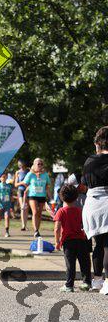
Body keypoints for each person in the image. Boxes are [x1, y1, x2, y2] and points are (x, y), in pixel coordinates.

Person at [82, 126, 108, 294]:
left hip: (92, 204)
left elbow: (84, 182)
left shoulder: (89, 161)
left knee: (98, 243)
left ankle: (97, 280)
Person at [54, 184, 91, 292]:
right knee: (84, 262)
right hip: (81, 240)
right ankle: (86, 282)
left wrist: (57, 242)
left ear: (61, 197)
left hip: (68, 241)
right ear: (76, 197)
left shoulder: (61, 211)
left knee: (70, 264)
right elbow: (85, 225)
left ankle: (69, 285)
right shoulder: (79, 210)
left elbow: (57, 228)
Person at [22, 157, 51, 237]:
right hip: (33, 195)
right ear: (34, 165)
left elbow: (48, 185)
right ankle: (35, 230)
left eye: (41, 164)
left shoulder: (45, 174)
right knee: (35, 212)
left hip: (42, 195)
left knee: (39, 213)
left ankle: (37, 229)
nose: (40, 165)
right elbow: (24, 182)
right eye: (38, 164)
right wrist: (30, 187)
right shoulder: (30, 174)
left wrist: (50, 197)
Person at [14, 159, 29, 231]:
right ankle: (23, 225)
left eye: (21, 164)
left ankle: (25, 225)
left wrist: (27, 185)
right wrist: (22, 183)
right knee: (22, 207)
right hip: (20, 190)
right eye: (19, 164)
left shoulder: (28, 171)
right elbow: (15, 184)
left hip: (27, 190)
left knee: (26, 208)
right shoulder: (17, 172)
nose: (20, 166)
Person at [0, 172, 12, 238]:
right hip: (0, 204)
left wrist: (11, 204)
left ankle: (7, 231)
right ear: (0, 178)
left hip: (7, 204)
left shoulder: (9, 186)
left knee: (7, 216)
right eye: (2, 177)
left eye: (5, 177)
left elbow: (10, 194)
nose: (3, 178)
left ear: (6, 177)